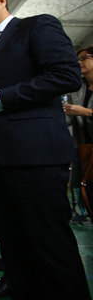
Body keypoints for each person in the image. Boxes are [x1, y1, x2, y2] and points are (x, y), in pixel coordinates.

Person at [0, 0, 90, 299]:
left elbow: (66, 76)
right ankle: (18, 285)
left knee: (49, 239)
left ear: (1, 0)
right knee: (11, 236)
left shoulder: (36, 27)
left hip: (35, 155)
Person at [64, 46, 93, 215]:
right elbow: (68, 119)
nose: (79, 62)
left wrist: (87, 112)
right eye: (78, 59)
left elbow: (82, 113)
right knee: (88, 193)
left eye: (84, 58)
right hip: (85, 149)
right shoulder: (77, 88)